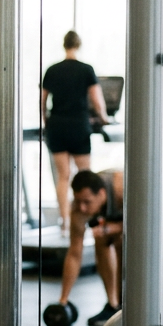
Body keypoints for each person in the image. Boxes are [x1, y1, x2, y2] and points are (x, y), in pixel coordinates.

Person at [41, 31, 109, 234]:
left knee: (63, 176)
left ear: (64, 45)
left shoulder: (52, 70)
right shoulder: (86, 69)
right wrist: (104, 118)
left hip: (58, 126)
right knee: (85, 175)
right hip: (79, 125)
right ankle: (88, 219)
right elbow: (97, 100)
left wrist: (46, 121)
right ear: (78, 45)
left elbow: (42, 101)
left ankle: (65, 221)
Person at [57, 169, 123, 326]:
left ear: (101, 194)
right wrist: (63, 301)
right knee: (101, 238)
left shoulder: (122, 189)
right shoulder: (78, 209)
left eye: (87, 202)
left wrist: (114, 228)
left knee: (121, 240)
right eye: (78, 201)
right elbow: (74, 253)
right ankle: (113, 306)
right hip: (113, 224)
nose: (83, 208)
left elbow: (149, 223)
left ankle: (128, 304)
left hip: (134, 219)